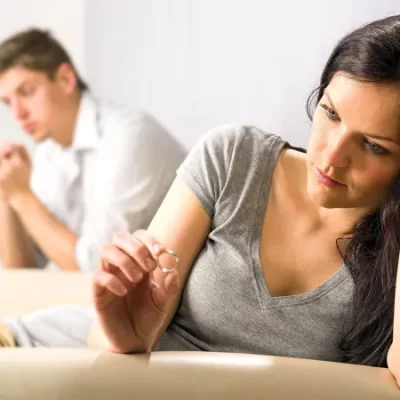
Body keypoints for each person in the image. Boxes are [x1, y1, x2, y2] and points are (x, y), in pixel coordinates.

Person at [1, 14, 400, 384]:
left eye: (373, 146)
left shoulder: (389, 250)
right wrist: (130, 336)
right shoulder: (233, 158)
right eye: (330, 113)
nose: (331, 157)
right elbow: (111, 335)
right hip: (74, 356)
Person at [0, 28, 186, 272]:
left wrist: (23, 198)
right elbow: (25, 269)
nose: (17, 113)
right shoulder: (48, 151)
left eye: (26, 92)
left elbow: (95, 270)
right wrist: (7, 193)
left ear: (66, 79)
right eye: (7, 102)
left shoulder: (127, 138)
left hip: (173, 298)